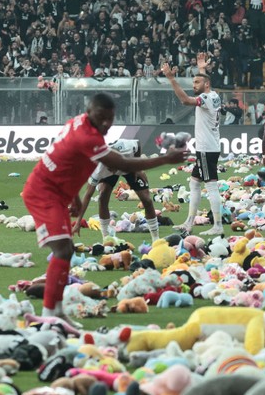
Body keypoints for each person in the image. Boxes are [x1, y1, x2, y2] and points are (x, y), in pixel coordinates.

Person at [21, 93, 185, 326]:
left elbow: (69, 162)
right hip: (44, 193)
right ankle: (50, 313)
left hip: (57, 192)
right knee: (63, 250)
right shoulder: (88, 138)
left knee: (66, 249)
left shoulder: (79, 123)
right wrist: (165, 159)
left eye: (110, 118)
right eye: (101, 117)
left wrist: (74, 197)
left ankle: (56, 311)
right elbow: (123, 163)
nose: (106, 123)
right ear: (89, 112)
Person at [161, 53, 225, 236]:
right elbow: (205, 82)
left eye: (197, 82)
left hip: (206, 148)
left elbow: (185, 101)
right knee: (194, 183)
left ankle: (218, 225)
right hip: (210, 147)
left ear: (206, 85)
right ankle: (189, 223)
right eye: (193, 82)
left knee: (211, 185)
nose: (193, 85)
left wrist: (171, 79)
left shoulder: (205, 98)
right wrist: (202, 68)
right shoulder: (214, 95)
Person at [79, 139, 162, 243]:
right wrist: (78, 221)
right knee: (102, 197)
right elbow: (87, 195)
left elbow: (138, 143)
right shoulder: (98, 170)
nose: (114, 171)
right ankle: (106, 238)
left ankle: (156, 239)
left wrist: (138, 167)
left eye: (114, 167)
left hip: (128, 166)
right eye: (110, 168)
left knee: (147, 200)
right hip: (110, 172)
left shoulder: (127, 148)